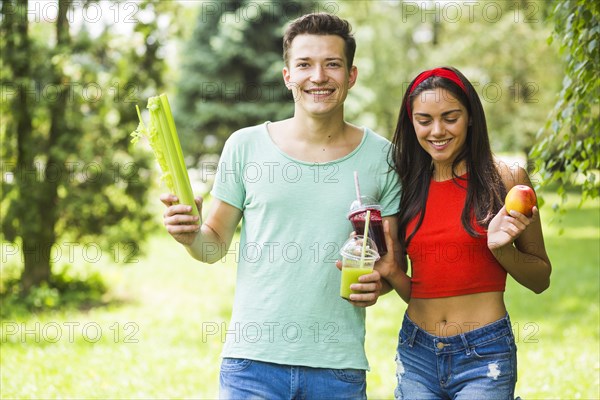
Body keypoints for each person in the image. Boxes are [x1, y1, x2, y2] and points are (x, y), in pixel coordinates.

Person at [160, 13, 401, 399]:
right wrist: (190, 235)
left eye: (332, 64)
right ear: (287, 75)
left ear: (351, 76)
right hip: (252, 367)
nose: (318, 76)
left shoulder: (383, 158)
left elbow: (391, 266)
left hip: (337, 368)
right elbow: (213, 245)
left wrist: (380, 284)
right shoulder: (245, 146)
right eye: (304, 64)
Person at [376, 66, 552, 399]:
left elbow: (540, 279)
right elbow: (423, 290)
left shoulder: (507, 178)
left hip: (484, 355)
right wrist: (390, 271)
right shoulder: (407, 185)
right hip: (417, 351)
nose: (437, 130)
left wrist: (502, 250)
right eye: (424, 120)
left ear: (470, 117)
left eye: (450, 117)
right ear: (411, 122)